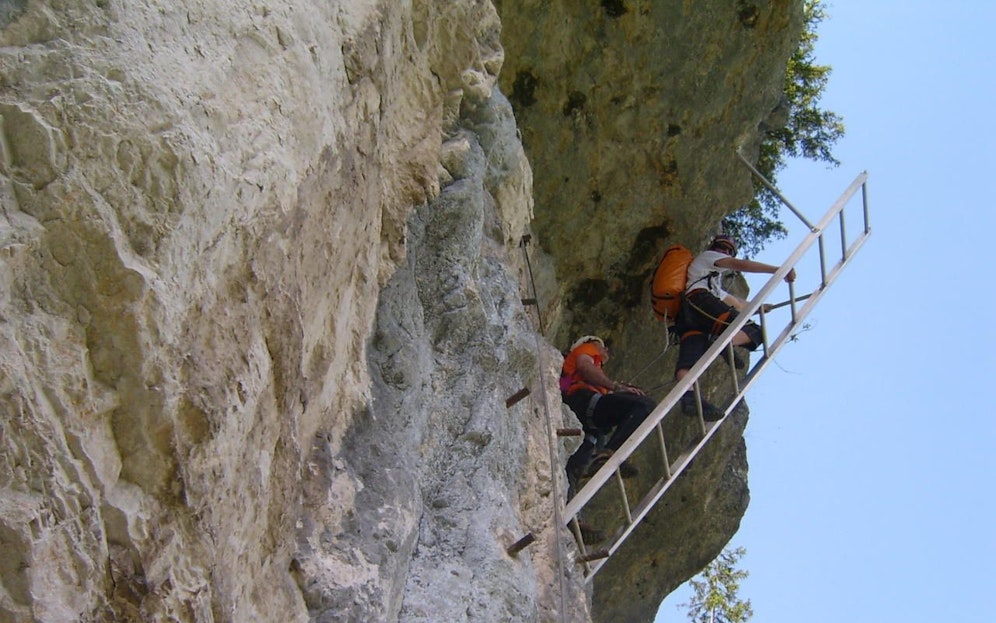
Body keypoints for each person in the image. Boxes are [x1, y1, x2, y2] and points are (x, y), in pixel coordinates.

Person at [674, 234, 796, 420]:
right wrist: (778, 270)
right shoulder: (709, 257)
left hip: (686, 316)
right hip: (700, 301)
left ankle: (689, 398)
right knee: (754, 332)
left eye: (727, 250)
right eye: (722, 248)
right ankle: (722, 343)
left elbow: (736, 303)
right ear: (714, 247)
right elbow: (740, 265)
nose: (723, 252)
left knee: (689, 361)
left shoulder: (709, 280)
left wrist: (760, 308)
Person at [560, 335, 656, 493]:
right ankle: (608, 453)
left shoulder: (570, 370)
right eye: (600, 345)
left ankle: (573, 515)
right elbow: (585, 368)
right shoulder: (585, 350)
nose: (605, 349)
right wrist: (616, 388)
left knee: (572, 472)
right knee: (644, 405)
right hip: (584, 403)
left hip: (584, 418)